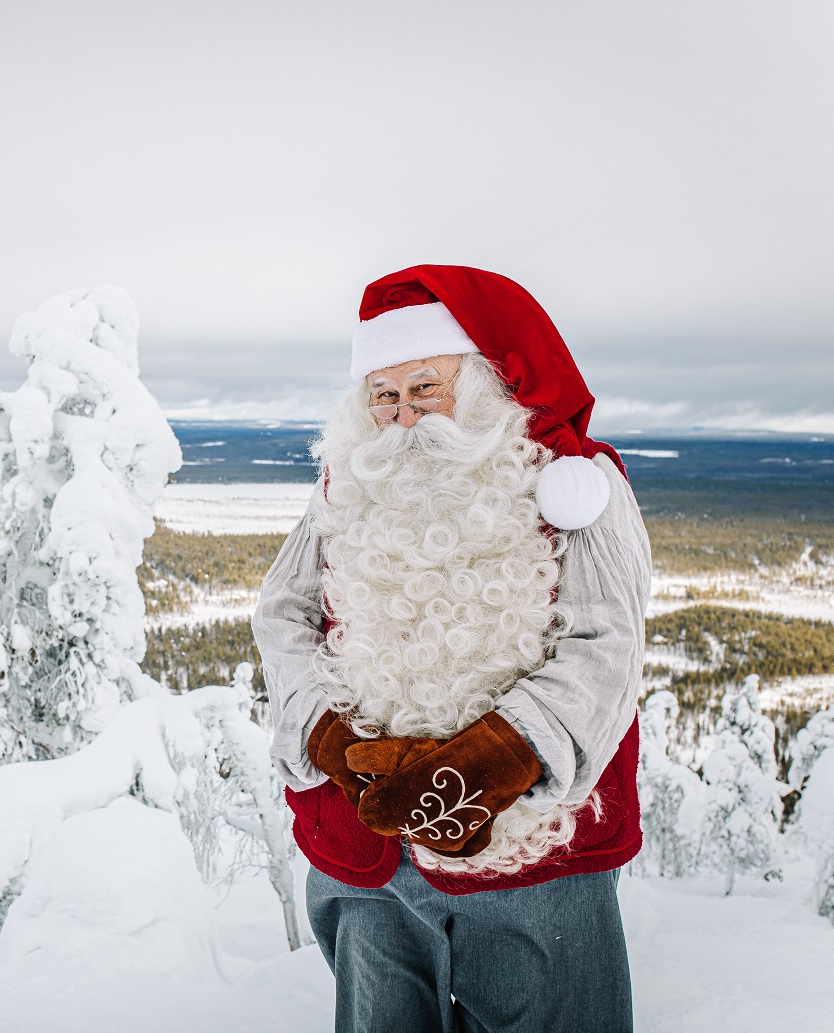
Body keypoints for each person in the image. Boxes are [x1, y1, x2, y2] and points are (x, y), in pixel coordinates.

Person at [253, 265, 650, 1033]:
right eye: (385, 394)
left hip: (535, 858)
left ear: (479, 385)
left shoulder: (576, 484)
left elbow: (608, 644)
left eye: (425, 388)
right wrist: (328, 739)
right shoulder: (344, 484)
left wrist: (495, 758)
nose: (403, 417)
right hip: (369, 855)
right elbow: (283, 612)